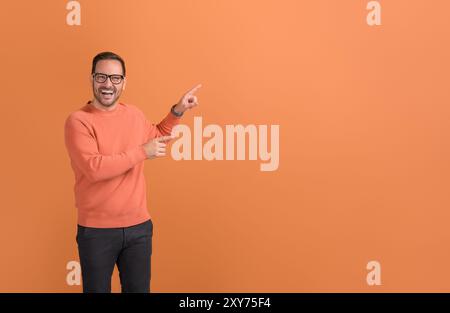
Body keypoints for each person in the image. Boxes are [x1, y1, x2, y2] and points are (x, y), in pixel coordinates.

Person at [64, 51, 201, 293]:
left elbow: (157, 135)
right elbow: (95, 168)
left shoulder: (134, 114)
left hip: (139, 228)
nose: (108, 84)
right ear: (92, 79)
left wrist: (178, 111)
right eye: (102, 77)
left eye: (115, 78)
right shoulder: (78, 121)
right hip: (96, 232)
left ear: (124, 82)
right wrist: (141, 152)